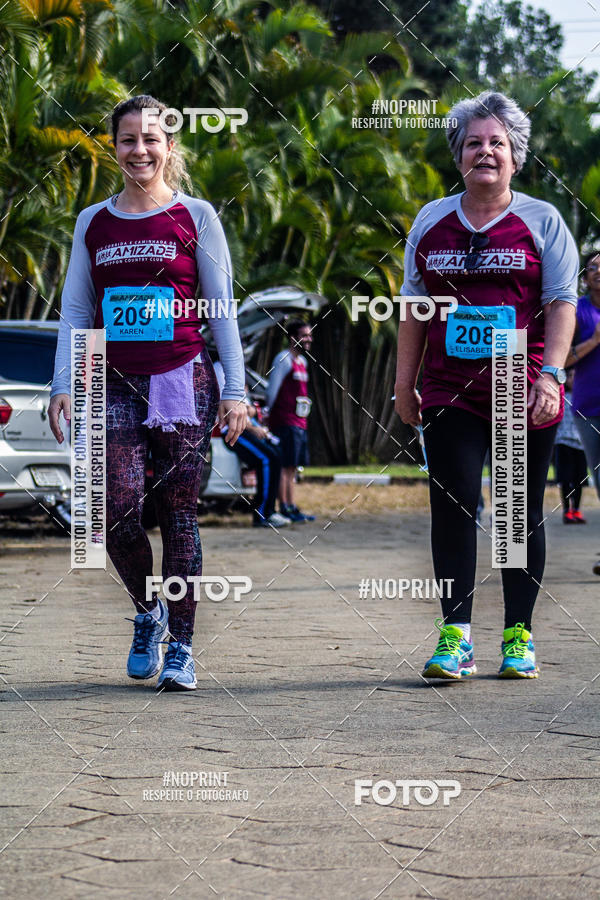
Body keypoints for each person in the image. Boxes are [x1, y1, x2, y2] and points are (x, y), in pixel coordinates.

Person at [48, 95, 246, 691]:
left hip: (180, 379)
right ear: (115, 146)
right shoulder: (94, 222)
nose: (140, 150)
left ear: (169, 147)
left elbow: (221, 310)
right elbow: (78, 311)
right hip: (114, 382)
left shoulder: (196, 216)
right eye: (128, 139)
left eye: (151, 139)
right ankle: (148, 611)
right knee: (113, 512)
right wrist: (64, 382)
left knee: (180, 515)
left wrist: (235, 390)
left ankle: (182, 648)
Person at [395, 90, 578, 680]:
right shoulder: (431, 221)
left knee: (517, 515)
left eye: (497, 143)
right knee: (452, 506)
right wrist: (404, 385)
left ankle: (519, 637)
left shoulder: (542, 220)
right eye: (474, 142)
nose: (486, 152)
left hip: (520, 387)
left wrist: (550, 374)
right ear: (458, 154)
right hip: (449, 388)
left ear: (516, 156)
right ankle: (456, 637)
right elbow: (414, 310)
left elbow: (560, 303)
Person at [213, 362, 290, 528]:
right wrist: (253, 428)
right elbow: (227, 410)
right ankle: (263, 514)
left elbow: (249, 409)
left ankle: (271, 510)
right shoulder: (220, 369)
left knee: (275, 455)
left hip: (245, 428)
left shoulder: (236, 369)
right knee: (266, 459)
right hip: (233, 431)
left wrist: (250, 414)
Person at [565, 252, 600, 574]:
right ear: (585, 277)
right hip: (589, 409)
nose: (599, 271)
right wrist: (593, 342)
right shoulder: (576, 310)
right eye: (593, 267)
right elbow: (561, 359)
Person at [266, 320, 315, 522]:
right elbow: (272, 390)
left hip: (299, 421)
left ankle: (292, 505)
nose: (309, 339)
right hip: (285, 420)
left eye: (310, 335)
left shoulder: (302, 363)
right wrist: (269, 413)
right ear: (293, 337)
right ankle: (284, 505)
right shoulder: (283, 359)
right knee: (285, 465)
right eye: (305, 335)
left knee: (293, 466)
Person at [554, 369, 588, 524]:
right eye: (570, 376)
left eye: (576, 376)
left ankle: (577, 509)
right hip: (564, 442)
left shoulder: (585, 399)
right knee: (566, 479)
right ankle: (567, 510)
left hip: (581, 444)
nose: (573, 379)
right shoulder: (561, 397)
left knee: (579, 479)